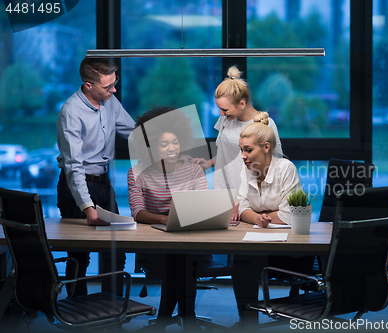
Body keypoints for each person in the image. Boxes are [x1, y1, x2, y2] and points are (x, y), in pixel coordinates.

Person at [56, 57, 133, 297]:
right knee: (79, 255)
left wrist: (164, 140)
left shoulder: (110, 101)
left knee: (117, 252)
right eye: (108, 86)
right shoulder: (71, 112)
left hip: (103, 184)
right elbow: (73, 166)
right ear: (88, 85)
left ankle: (112, 309)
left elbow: (131, 131)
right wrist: (88, 208)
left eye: (115, 82)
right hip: (76, 189)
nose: (114, 89)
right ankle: (76, 310)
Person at [127, 106, 208, 327]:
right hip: (156, 240)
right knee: (175, 260)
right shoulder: (137, 172)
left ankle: (167, 318)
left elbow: (203, 204)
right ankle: (186, 318)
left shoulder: (193, 170)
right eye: (164, 144)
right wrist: (167, 220)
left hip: (190, 237)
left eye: (175, 142)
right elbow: (137, 212)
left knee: (183, 258)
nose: (172, 148)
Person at [232, 112, 314, 326]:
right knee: (242, 260)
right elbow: (242, 206)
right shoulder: (247, 169)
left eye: (248, 150)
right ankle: (247, 320)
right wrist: (259, 219)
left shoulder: (285, 168)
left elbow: (289, 213)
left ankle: (249, 321)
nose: (243, 155)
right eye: (241, 150)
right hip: (258, 240)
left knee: (246, 263)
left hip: (290, 249)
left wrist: (258, 217)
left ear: (266, 147)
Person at [191, 66, 283, 221]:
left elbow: (274, 165)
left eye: (225, 109)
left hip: (249, 198)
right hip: (222, 192)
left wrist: (241, 198)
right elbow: (226, 151)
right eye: (219, 108)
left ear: (242, 104)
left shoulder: (266, 124)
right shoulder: (226, 119)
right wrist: (209, 163)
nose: (221, 114)